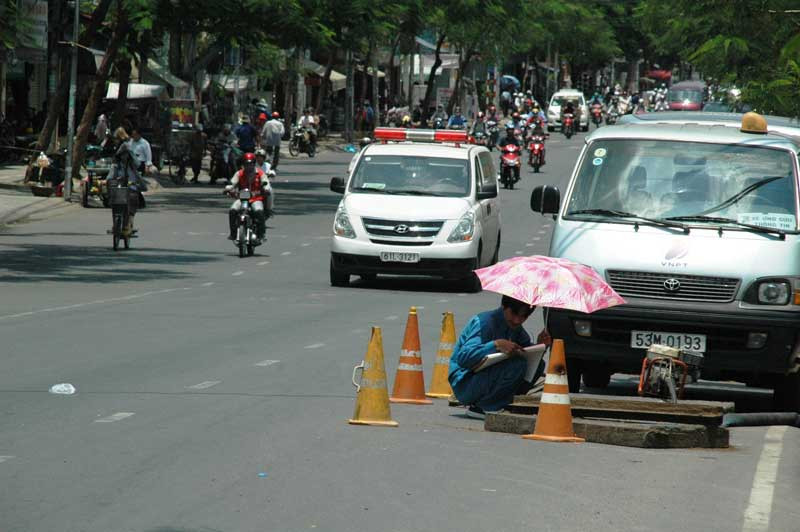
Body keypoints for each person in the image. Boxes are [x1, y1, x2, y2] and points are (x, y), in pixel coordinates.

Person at [448, 295, 551, 418]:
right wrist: (496, 345)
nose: (517, 320)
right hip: (465, 383)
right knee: (516, 365)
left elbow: (528, 353)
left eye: (524, 316)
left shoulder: (517, 329)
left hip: (483, 380)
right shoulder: (485, 323)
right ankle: (484, 407)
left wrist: (541, 346)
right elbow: (464, 357)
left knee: (538, 365)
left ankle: (502, 402)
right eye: (514, 314)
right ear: (504, 306)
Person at [107, 127, 146, 235]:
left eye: (126, 154)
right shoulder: (117, 164)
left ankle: (129, 224)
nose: (124, 156)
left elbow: (138, 165)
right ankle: (116, 225)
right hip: (120, 187)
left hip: (131, 187)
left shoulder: (132, 164)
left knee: (133, 201)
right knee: (115, 204)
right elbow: (110, 176)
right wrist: (109, 182)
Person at [226, 152, 268, 241]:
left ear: (254, 163)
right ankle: (233, 233)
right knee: (232, 210)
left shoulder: (259, 173)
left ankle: (261, 234)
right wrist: (228, 188)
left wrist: (266, 188)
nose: (249, 166)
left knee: (259, 211)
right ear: (243, 164)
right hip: (242, 197)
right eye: (246, 164)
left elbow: (266, 182)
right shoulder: (239, 173)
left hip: (256, 198)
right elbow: (232, 182)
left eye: (250, 164)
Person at [254, 148, 275, 218]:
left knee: (270, 191)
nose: (259, 159)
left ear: (264, 158)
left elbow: (272, 171)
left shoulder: (267, 165)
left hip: (265, 185)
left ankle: (269, 209)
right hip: (254, 184)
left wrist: (271, 174)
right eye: (257, 157)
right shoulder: (253, 165)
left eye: (261, 157)